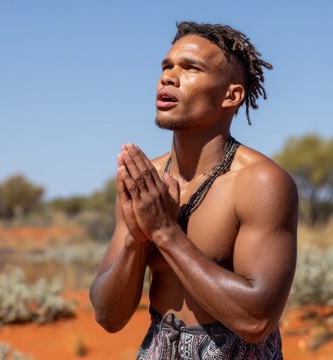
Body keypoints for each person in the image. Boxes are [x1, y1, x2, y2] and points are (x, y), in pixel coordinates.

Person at [90, 21, 298, 360]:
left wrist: (165, 233)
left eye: (191, 68)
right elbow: (107, 316)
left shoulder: (261, 183)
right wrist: (136, 239)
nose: (168, 77)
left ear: (231, 95)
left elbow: (257, 319)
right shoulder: (147, 182)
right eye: (166, 66)